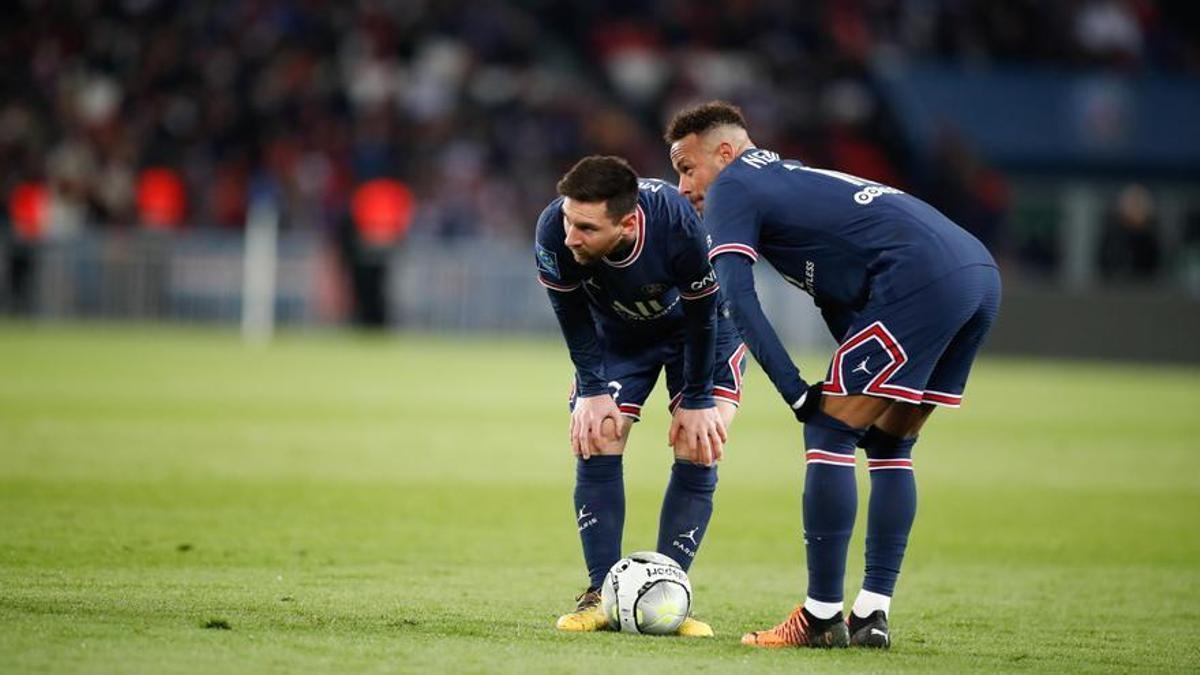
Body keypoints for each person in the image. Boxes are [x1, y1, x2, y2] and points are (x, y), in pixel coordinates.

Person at [664, 101, 1001, 649]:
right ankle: (872, 615)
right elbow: (839, 289)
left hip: (919, 275)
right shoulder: (790, 178)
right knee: (889, 442)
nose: (682, 186)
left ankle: (821, 618)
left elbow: (736, 297)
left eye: (686, 167)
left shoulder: (734, 187)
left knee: (827, 429)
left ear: (724, 153)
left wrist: (797, 392)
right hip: (976, 272)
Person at [535, 155, 748, 638]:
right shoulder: (553, 229)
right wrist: (590, 390)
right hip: (617, 335)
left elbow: (703, 316)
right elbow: (569, 311)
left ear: (627, 222)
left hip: (703, 331)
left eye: (586, 227)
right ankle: (600, 594)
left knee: (700, 443)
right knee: (598, 434)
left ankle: (667, 594)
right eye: (569, 220)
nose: (571, 236)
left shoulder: (677, 224)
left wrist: (695, 399)